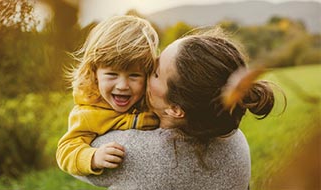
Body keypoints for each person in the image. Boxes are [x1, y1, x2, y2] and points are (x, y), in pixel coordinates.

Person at [78, 28, 284, 189]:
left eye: (156, 73)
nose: (146, 70)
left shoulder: (131, 150)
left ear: (175, 109)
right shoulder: (235, 139)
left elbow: (74, 157)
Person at [56, 15, 160, 176]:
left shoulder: (152, 99)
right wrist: (93, 157)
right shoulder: (88, 113)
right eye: (112, 74)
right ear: (94, 73)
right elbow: (65, 150)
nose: (123, 86)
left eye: (134, 75)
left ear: (147, 75)